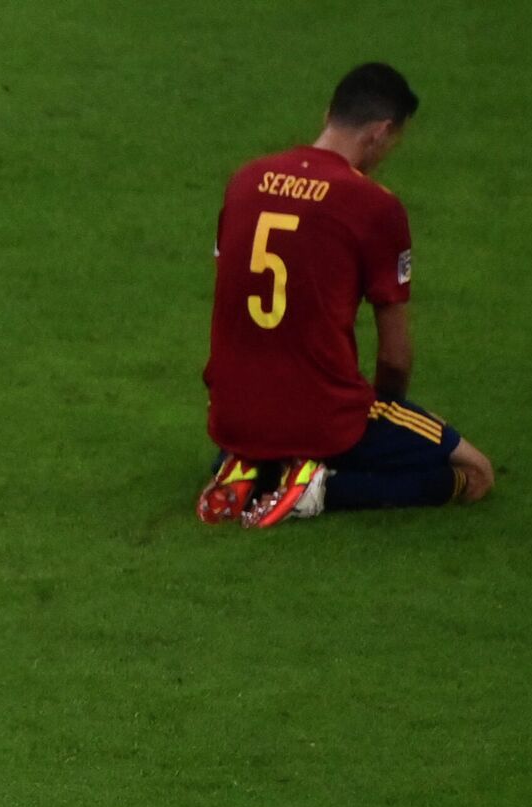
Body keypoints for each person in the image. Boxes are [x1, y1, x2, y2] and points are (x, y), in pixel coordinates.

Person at [197, 62, 493, 528]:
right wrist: (385, 411)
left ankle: (250, 468)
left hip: (232, 413)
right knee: (471, 473)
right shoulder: (374, 206)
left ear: (328, 112)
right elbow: (394, 358)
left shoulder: (245, 180)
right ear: (381, 132)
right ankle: (319, 490)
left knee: (288, 424)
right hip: (321, 417)